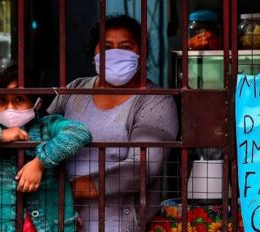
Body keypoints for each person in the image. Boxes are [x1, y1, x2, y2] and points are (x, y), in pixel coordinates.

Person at [47, 15, 179, 232]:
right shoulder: (74, 91)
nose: (115, 54)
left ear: (141, 54)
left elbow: (141, 169)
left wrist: (66, 190)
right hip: (58, 222)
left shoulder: (156, 100)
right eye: (107, 47)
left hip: (119, 225)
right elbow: (41, 135)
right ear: (94, 56)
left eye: (125, 47)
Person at [0, 64, 92, 232]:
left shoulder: (47, 127)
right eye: (2, 101)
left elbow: (79, 132)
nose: (9, 108)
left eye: (19, 100)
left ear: (37, 103)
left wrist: (40, 163)